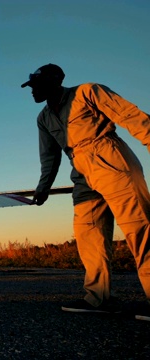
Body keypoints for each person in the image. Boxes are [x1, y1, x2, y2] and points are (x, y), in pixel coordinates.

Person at [21, 63, 150, 321]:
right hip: (80, 169)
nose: (32, 91)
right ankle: (99, 298)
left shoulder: (87, 92)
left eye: (36, 85)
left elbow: (129, 115)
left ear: (54, 81)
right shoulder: (43, 118)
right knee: (88, 234)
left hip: (111, 159)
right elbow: (49, 158)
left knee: (140, 229)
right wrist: (42, 188)